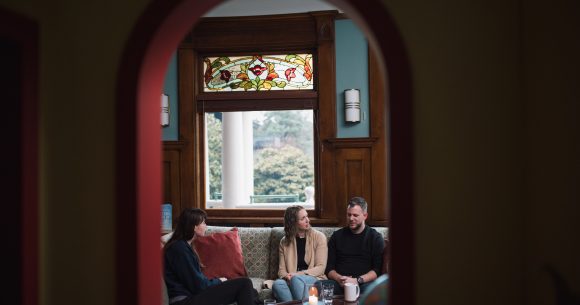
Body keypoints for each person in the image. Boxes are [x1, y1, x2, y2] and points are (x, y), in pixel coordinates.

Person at [163, 208, 255, 305]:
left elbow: (197, 281)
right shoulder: (179, 249)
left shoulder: (185, 246)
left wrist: (218, 282)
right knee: (245, 283)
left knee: (252, 292)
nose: (206, 226)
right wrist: (219, 281)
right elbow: (198, 286)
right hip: (184, 301)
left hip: (192, 296)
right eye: (203, 223)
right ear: (194, 226)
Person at [322, 197, 385, 295]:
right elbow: (329, 268)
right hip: (339, 283)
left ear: (365, 216)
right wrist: (339, 278)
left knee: (371, 291)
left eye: (355, 215)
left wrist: (357, 280)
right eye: (349, 215)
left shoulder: (375, 238)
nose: (351, 218)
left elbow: (377, 270)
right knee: (318, 286)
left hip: (363, 283)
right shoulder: (336, 236)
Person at [272, 205, 328, 302]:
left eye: (307, 216)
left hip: (314, 278)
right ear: (294, 223)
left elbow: (321, 268)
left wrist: (297, 275)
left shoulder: (319, 237)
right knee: (277, 284)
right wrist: (287, 276)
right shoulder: (284, 242)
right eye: (303, 218)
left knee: (296, 280)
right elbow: (281, 271)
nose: (308, 220)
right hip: (291, 279)